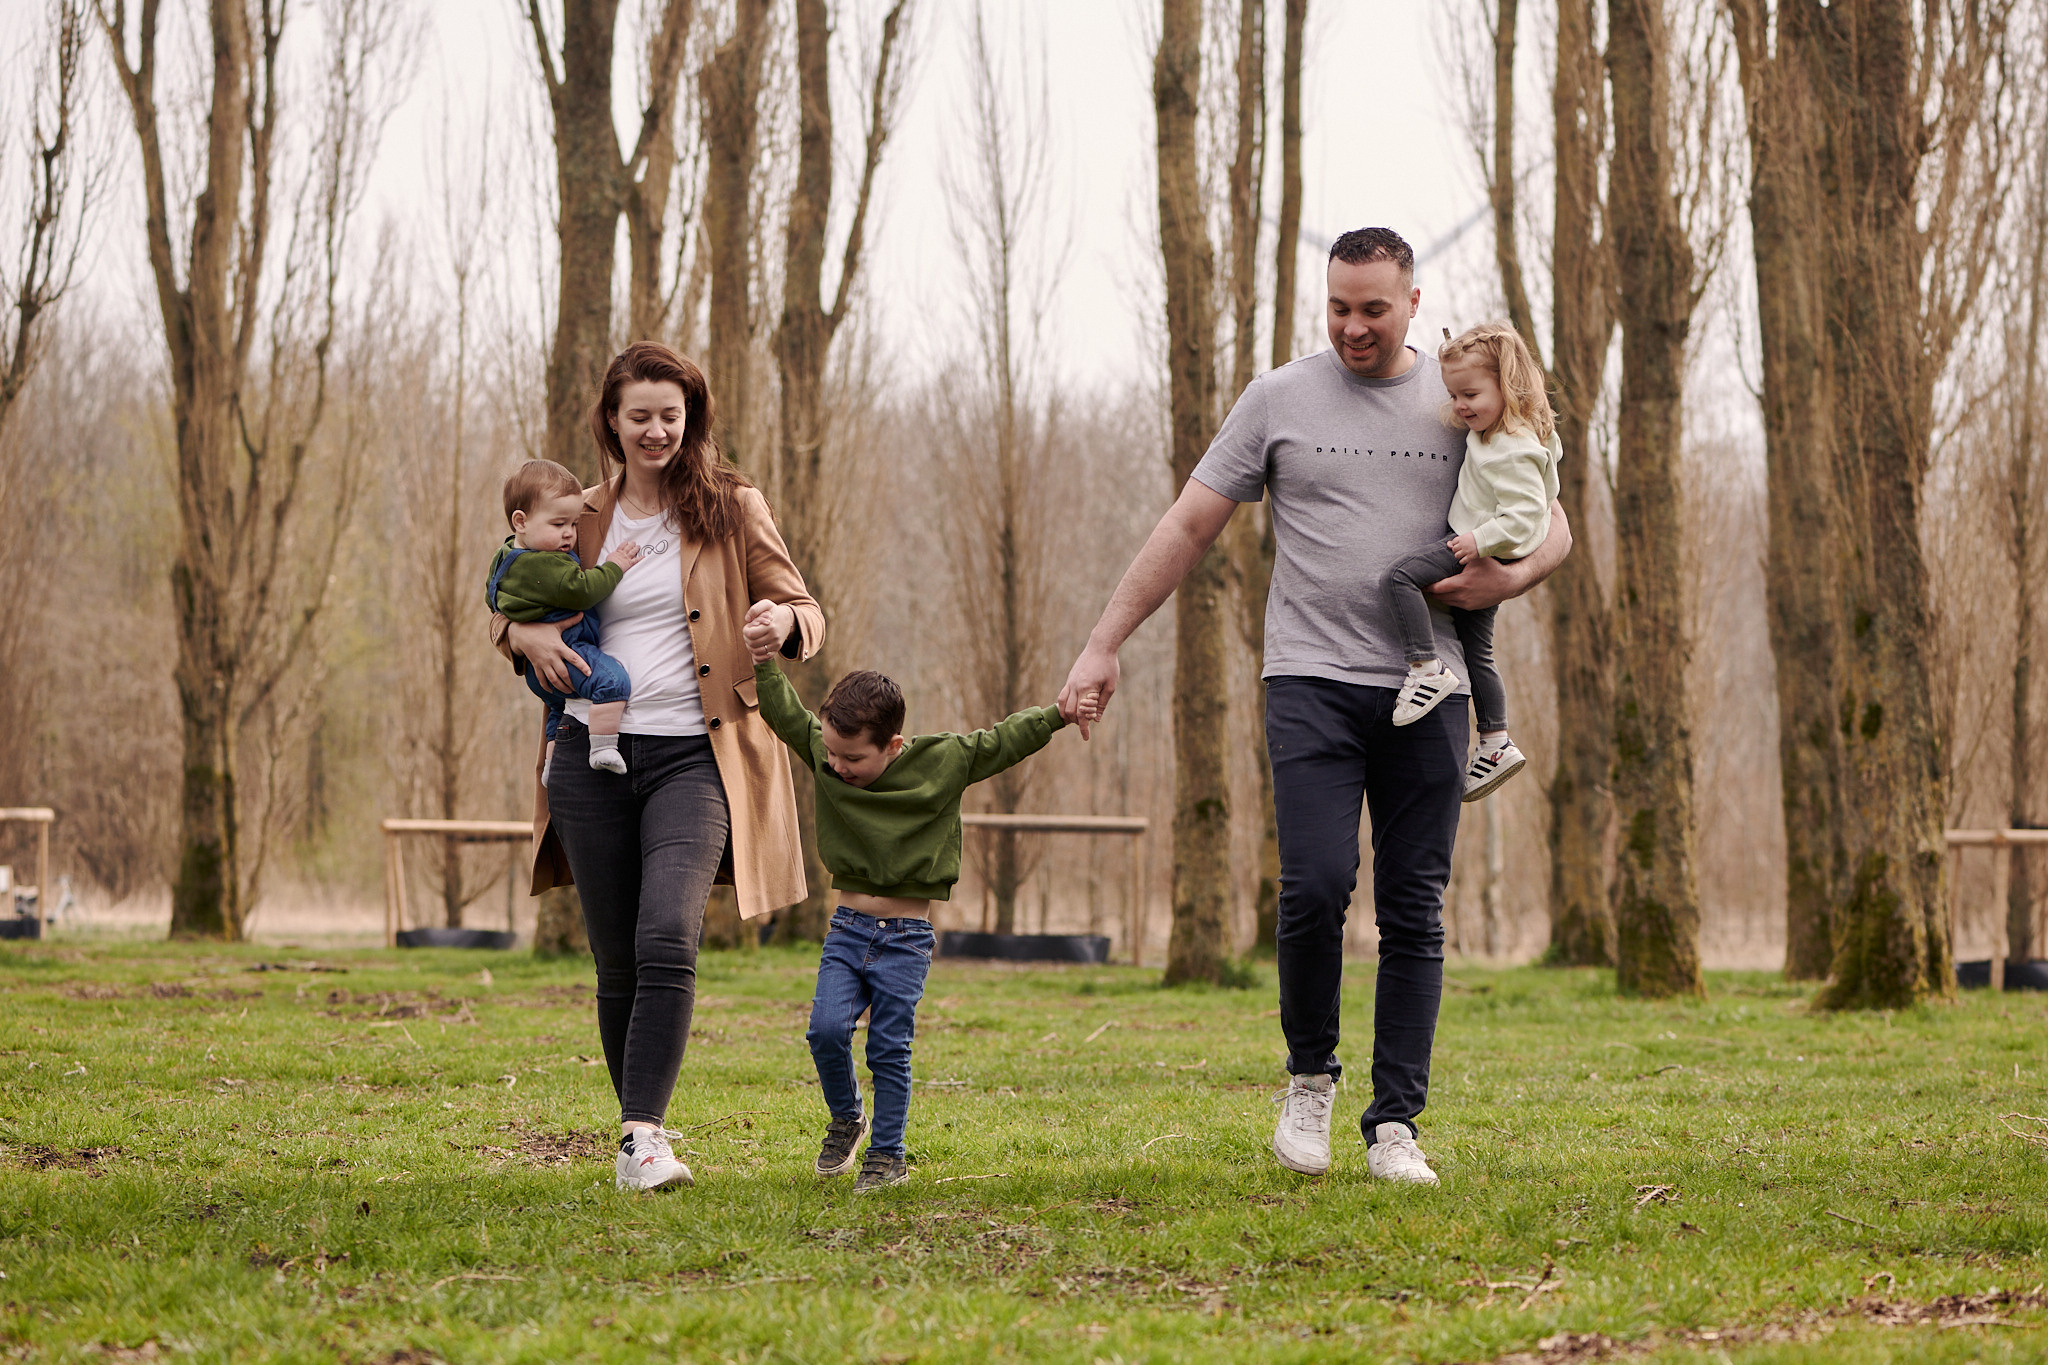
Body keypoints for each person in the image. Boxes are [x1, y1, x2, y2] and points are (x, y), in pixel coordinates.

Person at [1057, 228, 1572, 1185]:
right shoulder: (1280, 397)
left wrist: (1510, 579)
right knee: (1315, 886)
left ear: (1412, 303)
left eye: (1373, 308)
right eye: (1338, 307)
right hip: (1311, 678)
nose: (1353, 326)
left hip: (1433, 687)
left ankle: (1396, 1125)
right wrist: (1103, 641)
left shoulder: (1461, 394)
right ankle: (1309, 1079)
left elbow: (1553, 523)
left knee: (1414, 906)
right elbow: (1190, 522)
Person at [490, 341, 824, 1193]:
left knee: (668, 932)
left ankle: (642, 1134)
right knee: (616, 962)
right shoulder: (584, 510)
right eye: (638, 415)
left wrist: (783, 624)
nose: (655, 430)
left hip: (695, 754)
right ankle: (637, 1136)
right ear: (611, 420)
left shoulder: (731, 505)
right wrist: (519, 633)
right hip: (587, 756)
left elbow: (805, 607)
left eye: (670, 415)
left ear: (690, 419)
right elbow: (510, 592)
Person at [748, 639, 1089, 1192]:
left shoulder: (942, 761)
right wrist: (763, 659)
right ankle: (847, 1117)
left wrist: (1058, 714)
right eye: (831, 753)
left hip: (906, 938)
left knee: (888, 1046)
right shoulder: (826, 756)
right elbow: (786, 713)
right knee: (825, 1031)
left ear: (893, 745)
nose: (837, 766)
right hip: (847, 929)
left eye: (853, 758)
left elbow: (1002, 741)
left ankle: (888, 1156)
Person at [1380, 322, 1563, 803]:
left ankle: (1425, 667)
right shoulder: (1500, 433)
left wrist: (1478, 540)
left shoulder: (1512, 446)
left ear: (1507, 386)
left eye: (1471, 394)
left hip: (1475, 547)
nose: (1460, 406)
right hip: (1480, 545)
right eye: (1453, 395)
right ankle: (1496, 741)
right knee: (1478, 651)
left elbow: (1529, 515)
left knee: (1399, 578)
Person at [485, 458, 643, 781]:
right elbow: (584, 590)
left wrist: (516, 624)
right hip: (568, 653)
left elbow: (492, 599)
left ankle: (551, 766)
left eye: (573, 524)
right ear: (520, 521)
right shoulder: (547, 566)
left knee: (558, 711)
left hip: (537, 672)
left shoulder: (505, 556)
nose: (570, 534)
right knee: (613, 683)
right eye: (559, 525)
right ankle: (602, 748)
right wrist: (615, 565)